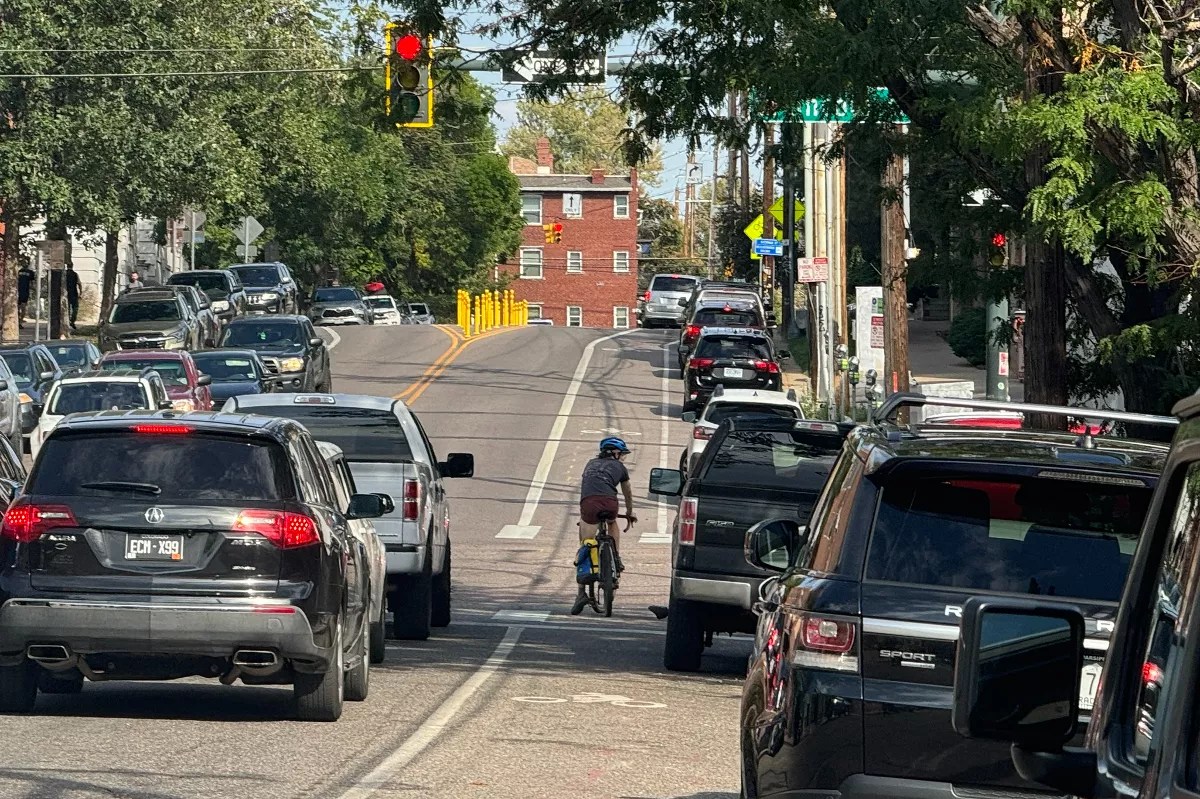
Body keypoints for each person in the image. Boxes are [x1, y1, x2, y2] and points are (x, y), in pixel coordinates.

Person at [572, 436, 637, 615]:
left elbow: (588, 485)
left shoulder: (590, 464)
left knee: (585, 544)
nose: (623, 458)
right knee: (612, 521)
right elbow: (627, 491)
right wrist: (630, 512)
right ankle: (616, 555)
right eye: (622, 454)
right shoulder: (620, 468)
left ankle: (581, 593)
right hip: (610, 503)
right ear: (615, 453)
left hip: (589, 503)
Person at [16, 264, 33, 328]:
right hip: (19, 291)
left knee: (23, 307)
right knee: (19, 307)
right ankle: (18, 321)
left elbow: (31, 283)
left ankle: (20, 322)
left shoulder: (30, 272)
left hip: (24, 291)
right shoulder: (18, 271)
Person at [65, 264, 81, 331]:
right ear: (72, 266)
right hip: (74, 293)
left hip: (66, 293)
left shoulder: (64, 274)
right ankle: (72, 321)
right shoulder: (75, 274)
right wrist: (81, 292)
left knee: (67, 308)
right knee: (75, 308)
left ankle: (68, 321)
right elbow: (79, 284)